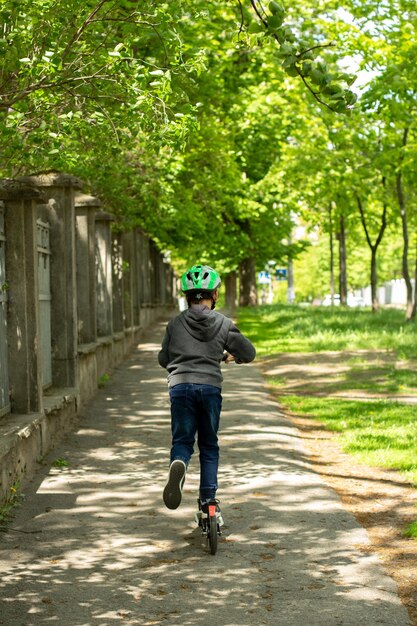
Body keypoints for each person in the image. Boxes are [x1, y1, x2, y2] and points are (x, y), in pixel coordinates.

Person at [158, 263, 256, 517]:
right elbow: (249, 352)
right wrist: (229, 357)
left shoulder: (175, 324)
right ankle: (208, 502)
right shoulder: (223, 323)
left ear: (187, 296)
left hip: (180, 387)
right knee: (209, 445)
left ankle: (179, 463)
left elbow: (163, 358)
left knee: (182, 441)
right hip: (210, 388)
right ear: (214, 295)